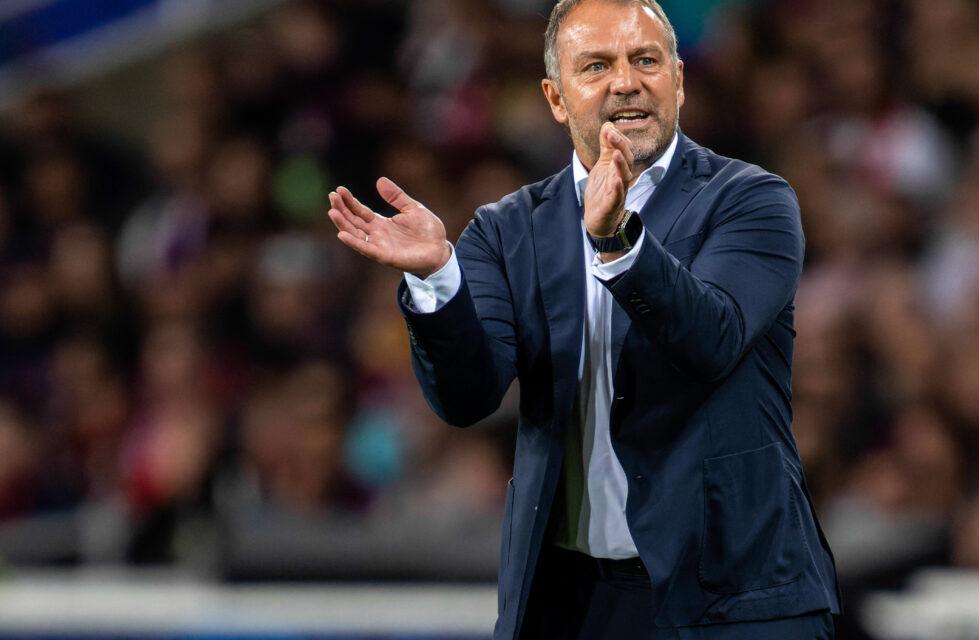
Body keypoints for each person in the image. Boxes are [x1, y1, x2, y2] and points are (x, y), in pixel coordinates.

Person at [326, 0, 840, 637]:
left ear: (678, 79)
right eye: (596, 66)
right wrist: (438, 279)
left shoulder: (750, 200)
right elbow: (467, 398)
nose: (627, 82)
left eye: (645, 60)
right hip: (573, 605)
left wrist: (619, 241)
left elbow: (713, 338)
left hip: (737, 599)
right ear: (556, 98)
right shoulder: (506, 230)